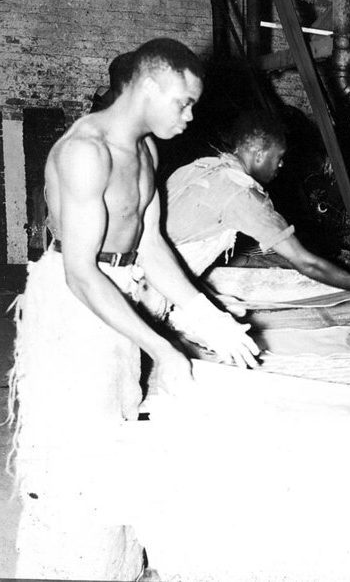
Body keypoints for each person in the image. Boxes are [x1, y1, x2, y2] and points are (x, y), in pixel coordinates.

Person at [8, 38, 261, 580]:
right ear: (148, 86)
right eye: (183, 103)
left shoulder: (145, 151)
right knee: (77, 445)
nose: (191, 116)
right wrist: (160, 345)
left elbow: (148, 245)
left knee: (118, 424)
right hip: (73, 305)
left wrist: (201, 311)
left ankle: (114, 567)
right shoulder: (85, 152)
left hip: (119, 286)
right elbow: (80, 271)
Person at [163, 111, 350, 301]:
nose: (281, 165)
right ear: (259, 155)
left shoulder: (201, 166)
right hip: (156, 287)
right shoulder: (244, 195)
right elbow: (305, 262)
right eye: (279, 157)